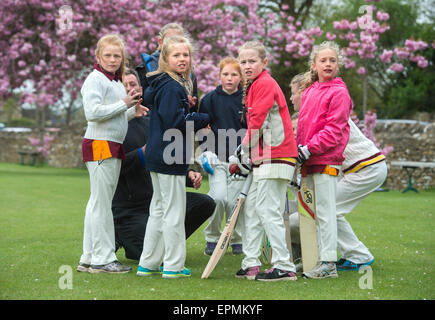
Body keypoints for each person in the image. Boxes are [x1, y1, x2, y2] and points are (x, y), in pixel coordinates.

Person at [112, 68, 216, 261]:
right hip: (130, 208)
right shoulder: (114, 125)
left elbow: (165, 158)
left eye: (133, 84)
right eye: (124, 85)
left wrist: (187, 174)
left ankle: (169, 244)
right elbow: (113, 168)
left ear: (141, 89)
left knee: (205, 203)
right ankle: (123, 236)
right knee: (142, 251)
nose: (129, 89)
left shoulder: (152, 120)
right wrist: (142, 153)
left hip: (158, 197)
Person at [288, 74, 387, 271]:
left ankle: (358, 255)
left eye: (293, 94)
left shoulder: (322, 111)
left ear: (303, 93)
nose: (291, 99)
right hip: (356, 169)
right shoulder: (308, 117)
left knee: (327, 211)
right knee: (329, 210)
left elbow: (325, 140)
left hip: (365, 167)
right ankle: (354, 254)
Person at [137, 35, 210, 279]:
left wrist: (187, 107)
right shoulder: (172, 86)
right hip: (170, 155)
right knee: (173, 212)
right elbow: (176, 122)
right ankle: (174, 266)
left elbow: (171, 115)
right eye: (176, 55)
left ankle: (148, 263)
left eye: (185, 55)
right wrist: (203, 118)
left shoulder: (163, 84)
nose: (182, 59)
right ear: (165, 59)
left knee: (158, 209)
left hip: (159, 154)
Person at [77, 34, 147, 274]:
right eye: (107, 55)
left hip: (110, 143)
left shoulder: (115, 82)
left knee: (97, 202)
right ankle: (102, 259)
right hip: (99, 144)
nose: (113, 59)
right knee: (101, 204)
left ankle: (88, 257)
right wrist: (125, 104)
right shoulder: (95, 79)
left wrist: (131, 112)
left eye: (117, 55)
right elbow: (93, 113)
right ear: (98, 56)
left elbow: (113, 117)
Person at [234, 41, 299, 282]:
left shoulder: (263, 84)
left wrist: (241, 150)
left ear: (264, 62)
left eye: (252, 61)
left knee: (267, 210)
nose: (247, 66)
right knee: (253, 210)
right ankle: (251, 262)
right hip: (265, 158)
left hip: (277, 155)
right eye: (243, 62)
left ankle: (284, 265)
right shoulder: (253, 85)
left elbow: (257, 124)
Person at [296, 41, 352, 279]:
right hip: (309, 161)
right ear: (314, 65)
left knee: (327, 212)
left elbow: (334, 130)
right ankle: (317, 259)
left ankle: (328, 264)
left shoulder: (339, 92)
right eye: (323, 60)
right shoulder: (310, 91)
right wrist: (299, 151)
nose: (328, 64)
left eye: (332, 60)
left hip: (326, 159)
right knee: (313, 212)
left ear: (338, 65)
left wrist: (309, 149)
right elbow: (302, 126)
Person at [198, 57, 247, 256]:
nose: (229, 78)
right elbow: (202, 129)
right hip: (217, 159)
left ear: (240, 77)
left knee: (234, 202)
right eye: (225, 74)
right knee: (218, 198)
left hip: (239, 161)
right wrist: (206, 151)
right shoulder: (209, 99)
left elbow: (249, 130)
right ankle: (212, 237)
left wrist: (244, 156)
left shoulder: (246, 99)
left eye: (234, 74)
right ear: (219, 76)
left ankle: (236, 239)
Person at [136, 22, 198, 110]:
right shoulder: (146, 68)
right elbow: (145, 105)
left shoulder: (189, 72)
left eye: (178, 40)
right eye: (170, 40)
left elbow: (191, 113)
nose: (174, 44)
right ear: (160, 42)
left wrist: (188, 109)